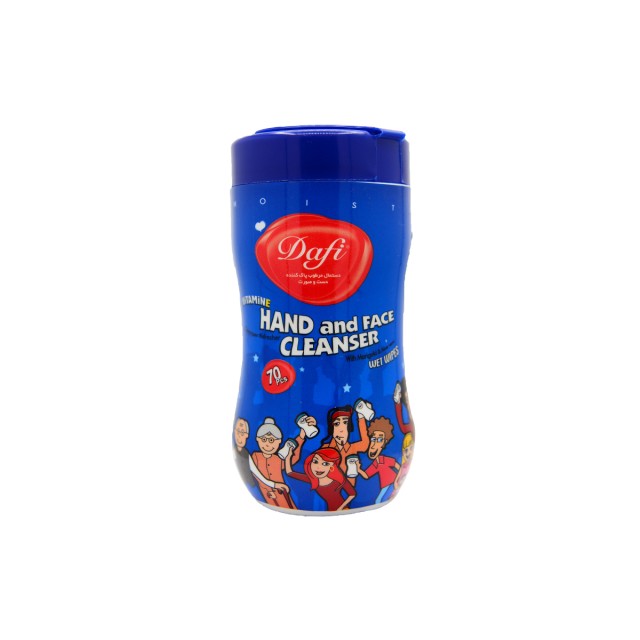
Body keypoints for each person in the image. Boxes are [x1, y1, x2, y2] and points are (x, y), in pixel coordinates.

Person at [250, 417, 305, 509]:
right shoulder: (255, 457)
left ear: (279, 441)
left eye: (271, 440)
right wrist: (269, 489)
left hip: (282, 493)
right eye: (264, 440)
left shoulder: (277, 459)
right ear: (257, 439)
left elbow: (292, 459)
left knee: (290, 505)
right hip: (268, 494)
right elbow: (256, 475)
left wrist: (301, 437)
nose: (267, 444)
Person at [285, 448, 355, 511]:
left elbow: (352, 494)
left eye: (325, 464)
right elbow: (290, 473)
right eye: (315, 462)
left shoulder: (338, 480)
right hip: (330, 509)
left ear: (332, 467)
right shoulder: (313, 479)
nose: (318, 467)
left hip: (343, 509)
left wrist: (341, 508)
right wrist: (288, 457)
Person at [319, 402, 373, 484]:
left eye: (345, 423)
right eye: (337, 424)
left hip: (350, 489)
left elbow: (365, 444)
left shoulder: (352, 448)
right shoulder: (325, 449)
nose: (342, 429)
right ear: (331, 428)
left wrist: (361, 416)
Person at [355, 417, 400, 504]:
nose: (374, 444)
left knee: (378, 500)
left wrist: (396, 481)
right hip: (384, 487)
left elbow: (398, 467)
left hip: (390, 484)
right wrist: (359, 469)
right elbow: (366, 475)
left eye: (379, 440)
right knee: (378, 500)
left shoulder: (385, 459)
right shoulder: (376, 463)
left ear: (384, 442)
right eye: (373, 439)